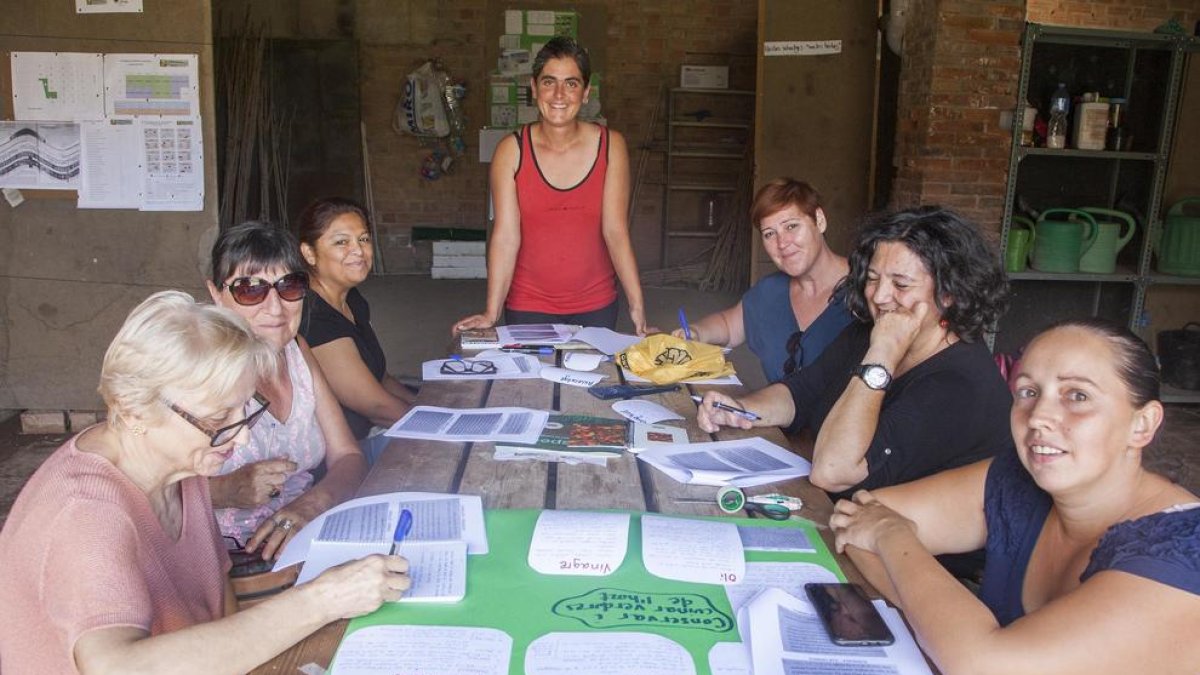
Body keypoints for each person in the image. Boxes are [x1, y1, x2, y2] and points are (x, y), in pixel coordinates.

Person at [0, 291, 410, 673]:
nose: (242, 437)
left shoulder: (184, 464)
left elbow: (218, 597)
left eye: (243, 412)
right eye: (217, 421)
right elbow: (117, 667)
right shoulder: (84, 512)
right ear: (133, 411)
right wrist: (321, 601)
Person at [829, 319, 1200, 673]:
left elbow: (984, 664)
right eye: (1028, 391)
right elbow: (858, 516)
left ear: (1142, 424)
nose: (1039, 416)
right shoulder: (1019, 483)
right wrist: (953, 634)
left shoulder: (1179, 558)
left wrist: (892, 536)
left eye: (1077, 395)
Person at [697, 206, 1013, 502]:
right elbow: (802, 391)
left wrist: (882, 354)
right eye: (873, 279)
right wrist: (742, 409)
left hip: (905, 551)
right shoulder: (866, 333)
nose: (879, 295)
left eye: (901, 284)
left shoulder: (958, 384)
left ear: (950, 293)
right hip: (841, 518)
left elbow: (832, 473)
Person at [453, 36, 653, 335]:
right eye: (549, 82)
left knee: (590, 379)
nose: (559, 94)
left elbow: (615, 230)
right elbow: (506, 235)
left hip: (596, 303)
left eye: (571, 83)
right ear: (534, 89)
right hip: (527, 304)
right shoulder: (511, 150)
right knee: (527, 382)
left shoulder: (611, 146)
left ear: (585, 93)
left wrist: (638, 308)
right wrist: (491, 312)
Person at [207, 221, 367, 560]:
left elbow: (348, 456)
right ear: (216, 295)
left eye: (289, 286)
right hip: (223, 561)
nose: (276, 307)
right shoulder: (196, 371)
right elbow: (138, 491)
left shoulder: (297, 351)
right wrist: (223, 490)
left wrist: (311, 505)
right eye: (250, 289)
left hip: (308, 538)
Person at [671, 178, 852, 383]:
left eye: (791, 226)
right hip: (778, 413)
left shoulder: (871, 289)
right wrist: (696, 333)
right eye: (769, 234)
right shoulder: (770, 292)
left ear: (819, 220)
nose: (782, 243)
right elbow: (729, 325)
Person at [296, 197, 414, 463]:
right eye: (341, 242)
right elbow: (377, 407)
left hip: (370, 432)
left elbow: (379, 377)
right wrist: (443, 428)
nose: (358, 251)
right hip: (341, 456)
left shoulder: (352, 298)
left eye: (363, 239)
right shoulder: (314, 317)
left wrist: (425, 407)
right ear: (309, 253)